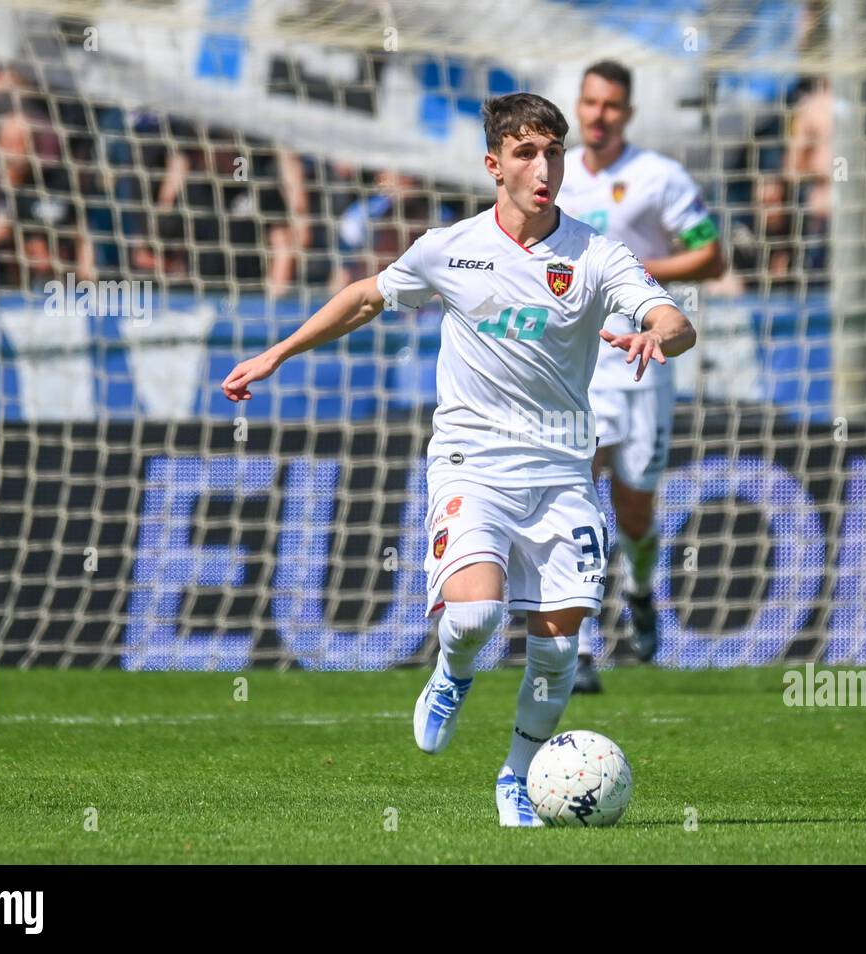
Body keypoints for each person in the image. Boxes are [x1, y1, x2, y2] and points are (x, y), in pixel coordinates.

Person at [221, 93, 696, 826]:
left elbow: (672, 317)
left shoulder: (596, 254)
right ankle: (451, 672)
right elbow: (365, 297)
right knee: (474, 614)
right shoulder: (451, 247)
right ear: (494, 165)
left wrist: (656, 336)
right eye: (527, 153)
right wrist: (276, 353)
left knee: (559, 645)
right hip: (472, 465)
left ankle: (515, 777)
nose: (545, 168)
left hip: (562, 476)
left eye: (554, 153)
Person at [560, 61, 723, 691]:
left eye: (611, 106)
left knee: (633, 507)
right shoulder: (556, 176)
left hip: (644, 360)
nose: (599, 115)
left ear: (627, 113)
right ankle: (576, 650)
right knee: (571, 496)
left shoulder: (659, 178)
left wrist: (637, 269)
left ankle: (642, 586)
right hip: (573, 365)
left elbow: (712, 255)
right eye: (590, 102)